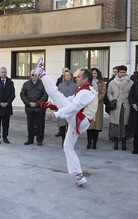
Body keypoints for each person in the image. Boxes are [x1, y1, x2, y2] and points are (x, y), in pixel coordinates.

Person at [35, 58, 98, 187]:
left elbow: (73, 107)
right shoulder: (84, 90)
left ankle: (41, 73)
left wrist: (56, 113)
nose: (76, 79)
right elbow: (70, 99)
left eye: (79, 77)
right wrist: (52, 104)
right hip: (79, 121)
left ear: (86, 79)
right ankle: (79, 176)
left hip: (79, 120)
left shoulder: (86, 91)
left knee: (56, 94)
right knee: (68, 146)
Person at [107, 65, 134, 150]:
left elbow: (132, 94)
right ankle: (115, 143)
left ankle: (124, 143)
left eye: (124, 72)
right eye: (121, 72)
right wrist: (112, 100)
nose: (122, 74)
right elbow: (109, 93)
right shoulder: (112, 82)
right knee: (115, 125)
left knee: (125, 125)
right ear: (117, 73)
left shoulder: (131, 82)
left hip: (126, 106)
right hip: (116, 106)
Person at [20, 69, 48, 146]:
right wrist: (29, 103)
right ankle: (30, 139)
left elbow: (45, 95)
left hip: (40, 109)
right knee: (30, 125)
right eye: (32, 75)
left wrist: (37, 103)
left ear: (38, 75)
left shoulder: (43, 84)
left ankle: (39, 140)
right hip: (29, 108)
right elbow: (22, 95)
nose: (34, 76)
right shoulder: (26, 84)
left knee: (40, 125)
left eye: (35, 74)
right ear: (30, 75)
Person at [0, 67, 15, 144]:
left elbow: (12, 95)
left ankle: (5, 137)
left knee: (6, 124)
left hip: (7, 107)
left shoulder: (10, 82)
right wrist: (0, 102)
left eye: (5, 72)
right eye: (2, 72)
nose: (4, 73)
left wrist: (7, 103)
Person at [57, 70, 78, 147]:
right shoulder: (60, 85)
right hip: (62, 107)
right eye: (66, 75)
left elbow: (77, 96)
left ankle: (70, 141)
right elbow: (57, 96)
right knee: (62, 125)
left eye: (69, 75)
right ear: (64, 77)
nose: (67, 77)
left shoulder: (75, 86)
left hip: (71, 108)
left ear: (71, 76)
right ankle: (63, 140)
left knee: (70, 125)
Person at [87, 68, 106, 149]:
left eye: (95, 73)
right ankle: (89, 142)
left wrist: (96, 100)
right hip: (88, 105)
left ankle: (94, 143)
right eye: (92, 73)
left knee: (96, 125)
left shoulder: (101, 83)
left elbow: (103, 93)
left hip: (98, 105)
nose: (93, 75)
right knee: (89, 124)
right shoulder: (87, 82)